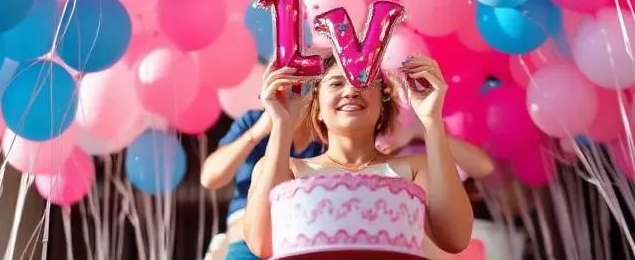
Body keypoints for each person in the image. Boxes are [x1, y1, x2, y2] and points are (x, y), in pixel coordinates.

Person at [244, 53, 475, 259]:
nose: (351, 91)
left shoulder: (415, 169)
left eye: (363, 82)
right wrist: (282, 125)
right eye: (335, 83)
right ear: (317, 108)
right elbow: (262, 243)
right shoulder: (289, 170)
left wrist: (431, 121)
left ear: (383, 105)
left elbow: (455, 239)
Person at [200, 107, 322, 260]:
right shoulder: (254, 120)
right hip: (245, 240)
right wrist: (256, 132)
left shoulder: (329, 126)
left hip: (304, 236)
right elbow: (210, 178)